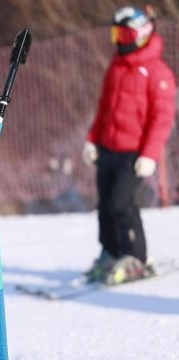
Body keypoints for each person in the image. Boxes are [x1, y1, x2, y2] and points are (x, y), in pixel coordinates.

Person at [82, 6, 176, 285]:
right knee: (105, 206)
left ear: (142, 34)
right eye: (116, 34)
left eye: (124, 34)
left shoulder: (157, 72)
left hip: (134, 153)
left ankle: (135, 257)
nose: (119, 41)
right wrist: (92, 139)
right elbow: (104, 108)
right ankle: (111, 252)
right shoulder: (116, 66)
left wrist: (149, 154)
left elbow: (162, 118)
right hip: (108, 148)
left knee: (121, 204)